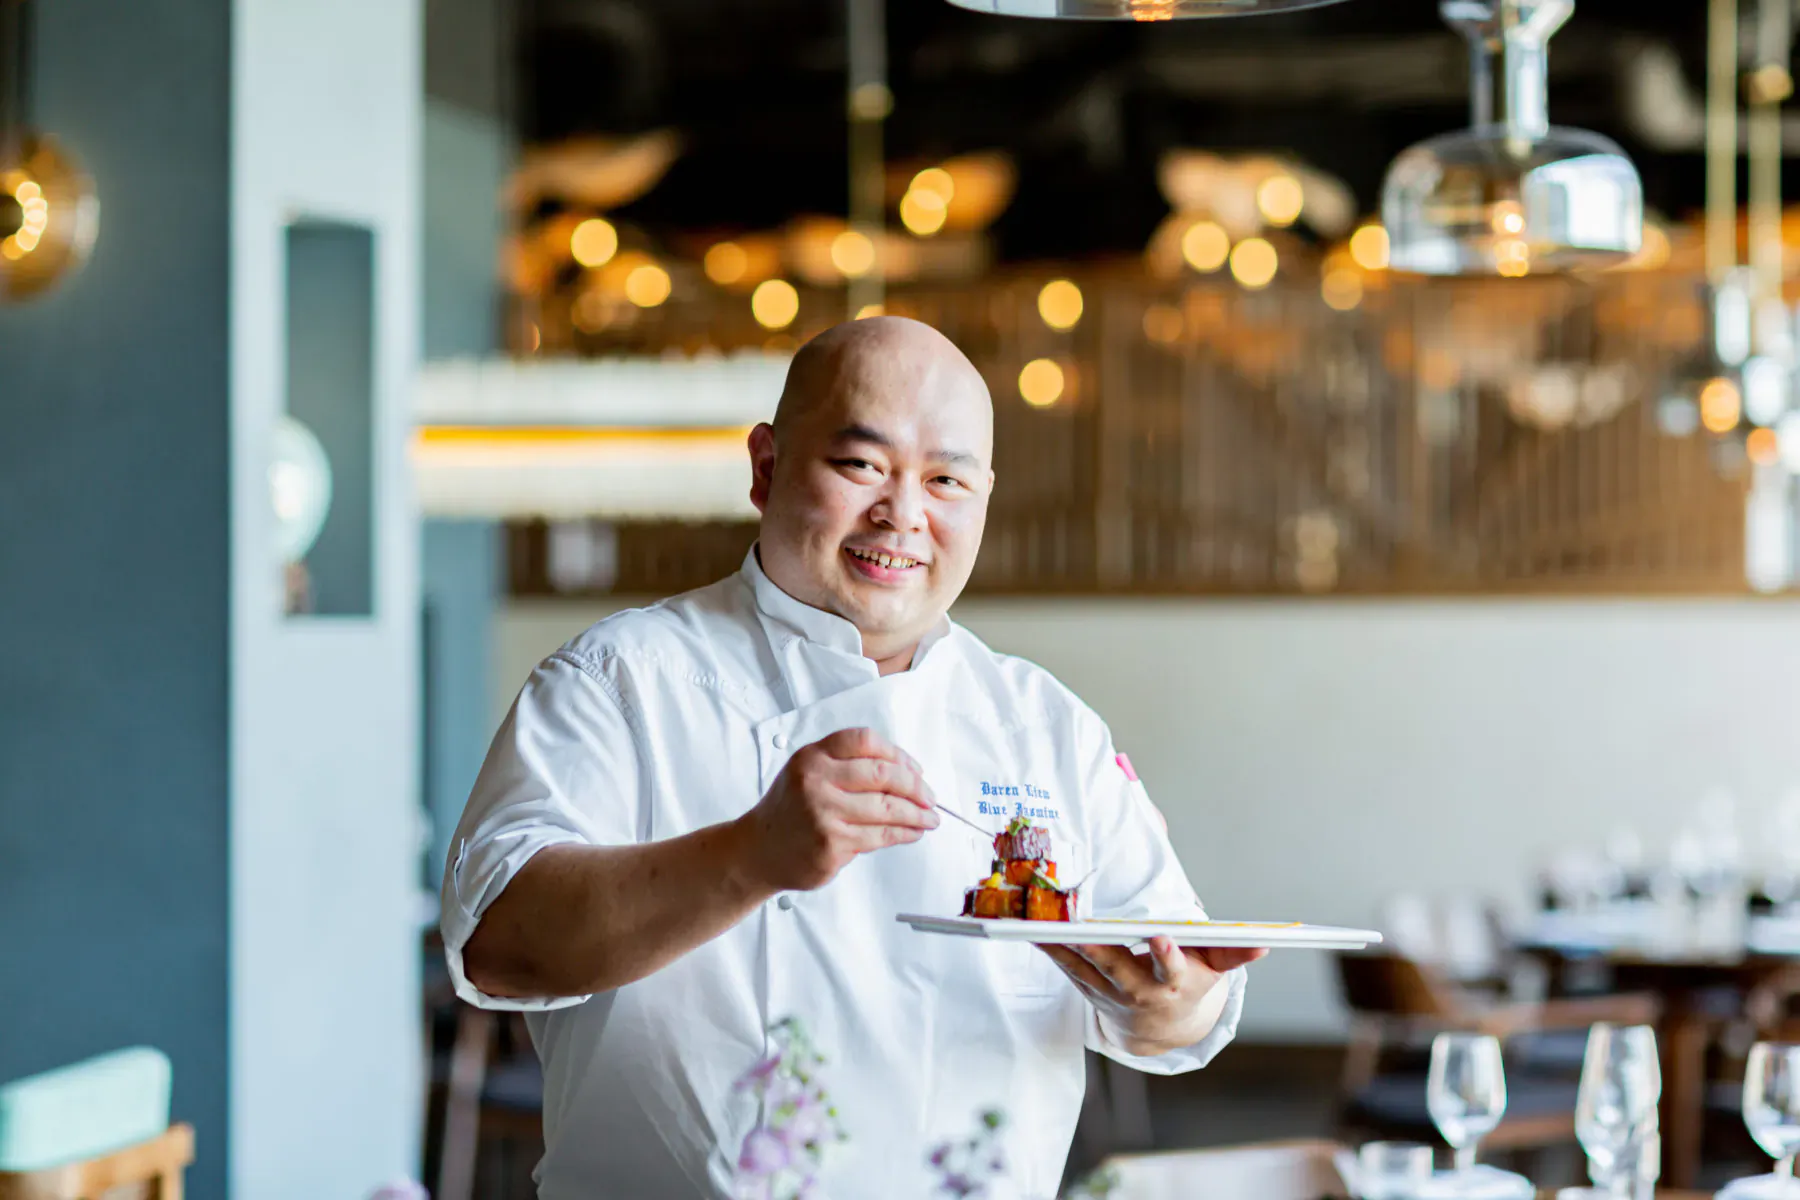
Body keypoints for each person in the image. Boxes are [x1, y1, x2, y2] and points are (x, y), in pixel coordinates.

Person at [441, 317, 1264, 1199]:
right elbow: (498, 943)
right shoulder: (621, 681)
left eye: (946, 480)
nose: (903, 514)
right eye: (862, 465)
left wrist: (1173, 1006)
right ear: (765, 467)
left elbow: (1182, 994)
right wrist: (751, 856)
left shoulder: (1047, 728)